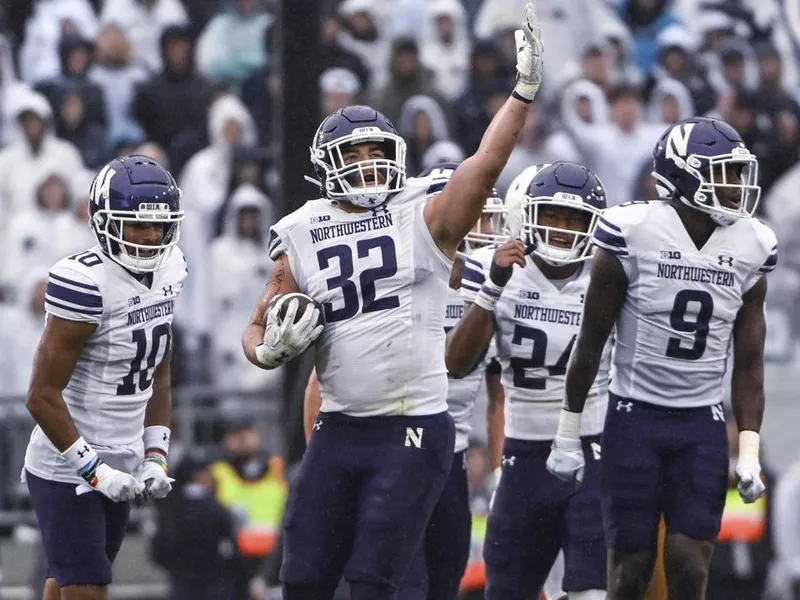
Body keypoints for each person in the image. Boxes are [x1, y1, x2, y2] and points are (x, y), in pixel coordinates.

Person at [241, 5, 544, 598]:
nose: (368, 163)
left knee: (374, 579)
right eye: (354, 155)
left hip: (411, 424)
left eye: (377, 151)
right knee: (301, 578)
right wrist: (268, 349)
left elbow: (485, 167)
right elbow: (255, 326)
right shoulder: (300, 229)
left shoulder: (420, 212)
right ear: (326, 164)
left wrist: (522, 93)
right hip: (338, 426)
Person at [546, 116, 777, 600]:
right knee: (631, 568)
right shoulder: (633, 232)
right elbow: (591, 342)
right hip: (635, 417)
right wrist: (567, 433)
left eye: (738, 173)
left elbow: (750, 361)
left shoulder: (752, 244)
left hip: (702, 423)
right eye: (724, 172)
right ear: (684, 174)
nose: (736, 185)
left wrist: (750, 451)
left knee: (691, 563)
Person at [22, 155, 186, 600]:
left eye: (158, 225)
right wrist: (93, 470)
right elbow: (40, 396)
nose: (151, 236)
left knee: (70, 581)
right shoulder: (85, 282)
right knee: (89, 586)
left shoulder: (170, 269)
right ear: (104, 221)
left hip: (124, 457)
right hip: (67, 464)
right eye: (136, 225)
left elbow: (159, 371)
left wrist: (155, 454)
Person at [446, 161, 609, 600]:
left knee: (591, 592)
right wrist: (492, 289)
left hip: (591, 449)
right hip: (523, 453)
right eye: (552, 215)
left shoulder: (610, 273)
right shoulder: (495, 267)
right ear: (529, 217)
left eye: (574, 219)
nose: (561, 228)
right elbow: (457, 363)